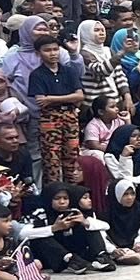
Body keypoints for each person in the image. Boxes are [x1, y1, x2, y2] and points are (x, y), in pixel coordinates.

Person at [26, 32, 85, 191]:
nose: (52, 53)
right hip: (50, 119)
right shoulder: (37, 74)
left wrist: (51, 98)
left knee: (72, 157)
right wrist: (67, 98)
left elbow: (80, 96)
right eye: (47, 50)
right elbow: (41, 101)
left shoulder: (69, 71)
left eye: (55, 49)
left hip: (70, 116)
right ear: (38, 53)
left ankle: (72, 194)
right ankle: (53, 194)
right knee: (51, 160)